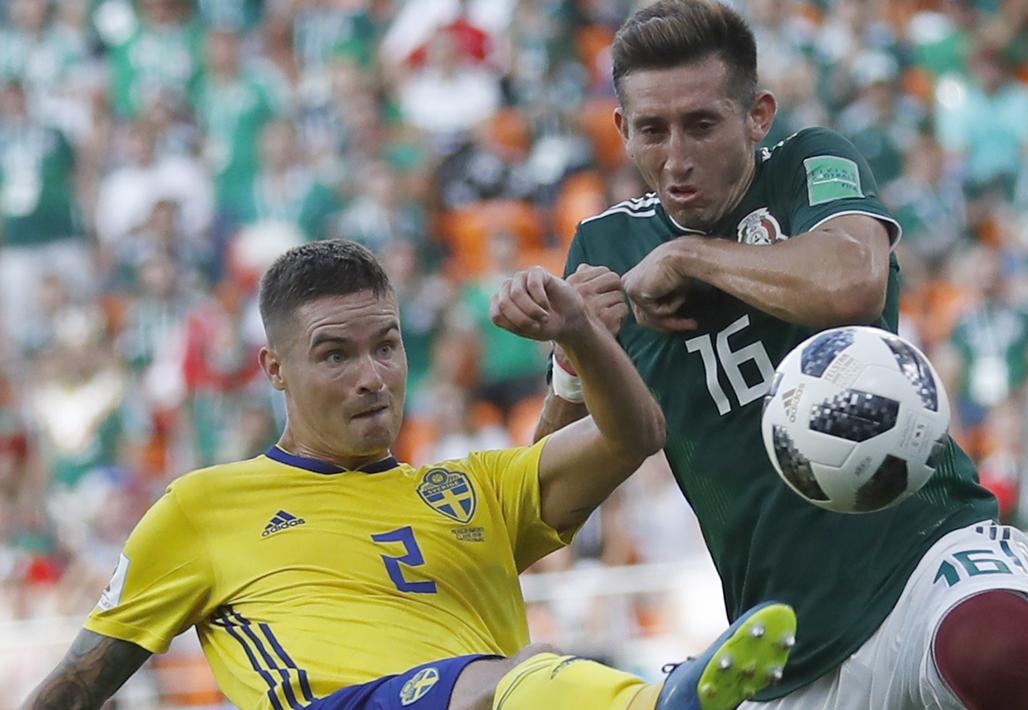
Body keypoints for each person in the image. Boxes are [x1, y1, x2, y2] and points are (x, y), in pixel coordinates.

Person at [534, 2, 1028, 708]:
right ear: (620, 130)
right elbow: (548, 511)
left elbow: (852, 284)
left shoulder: (808, 163)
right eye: (652, 130)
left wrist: (690, 257)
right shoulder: (602, 251)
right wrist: (571, 352)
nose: (676, 157)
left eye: (701, 124)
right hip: (785, 636)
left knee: (991, 652)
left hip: (921, 553)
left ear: (757, 114)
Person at [21, 240, 797, 710]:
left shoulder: (472, 490)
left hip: (481, 695)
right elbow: (82, 680)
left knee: (511, 684)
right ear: (274, 370)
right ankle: (668, 699)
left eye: (385, 345)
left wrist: (581, 335)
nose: (372, 376)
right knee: (507, 681)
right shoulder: (203, 507)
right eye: (335, 354)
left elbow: (637, 434)